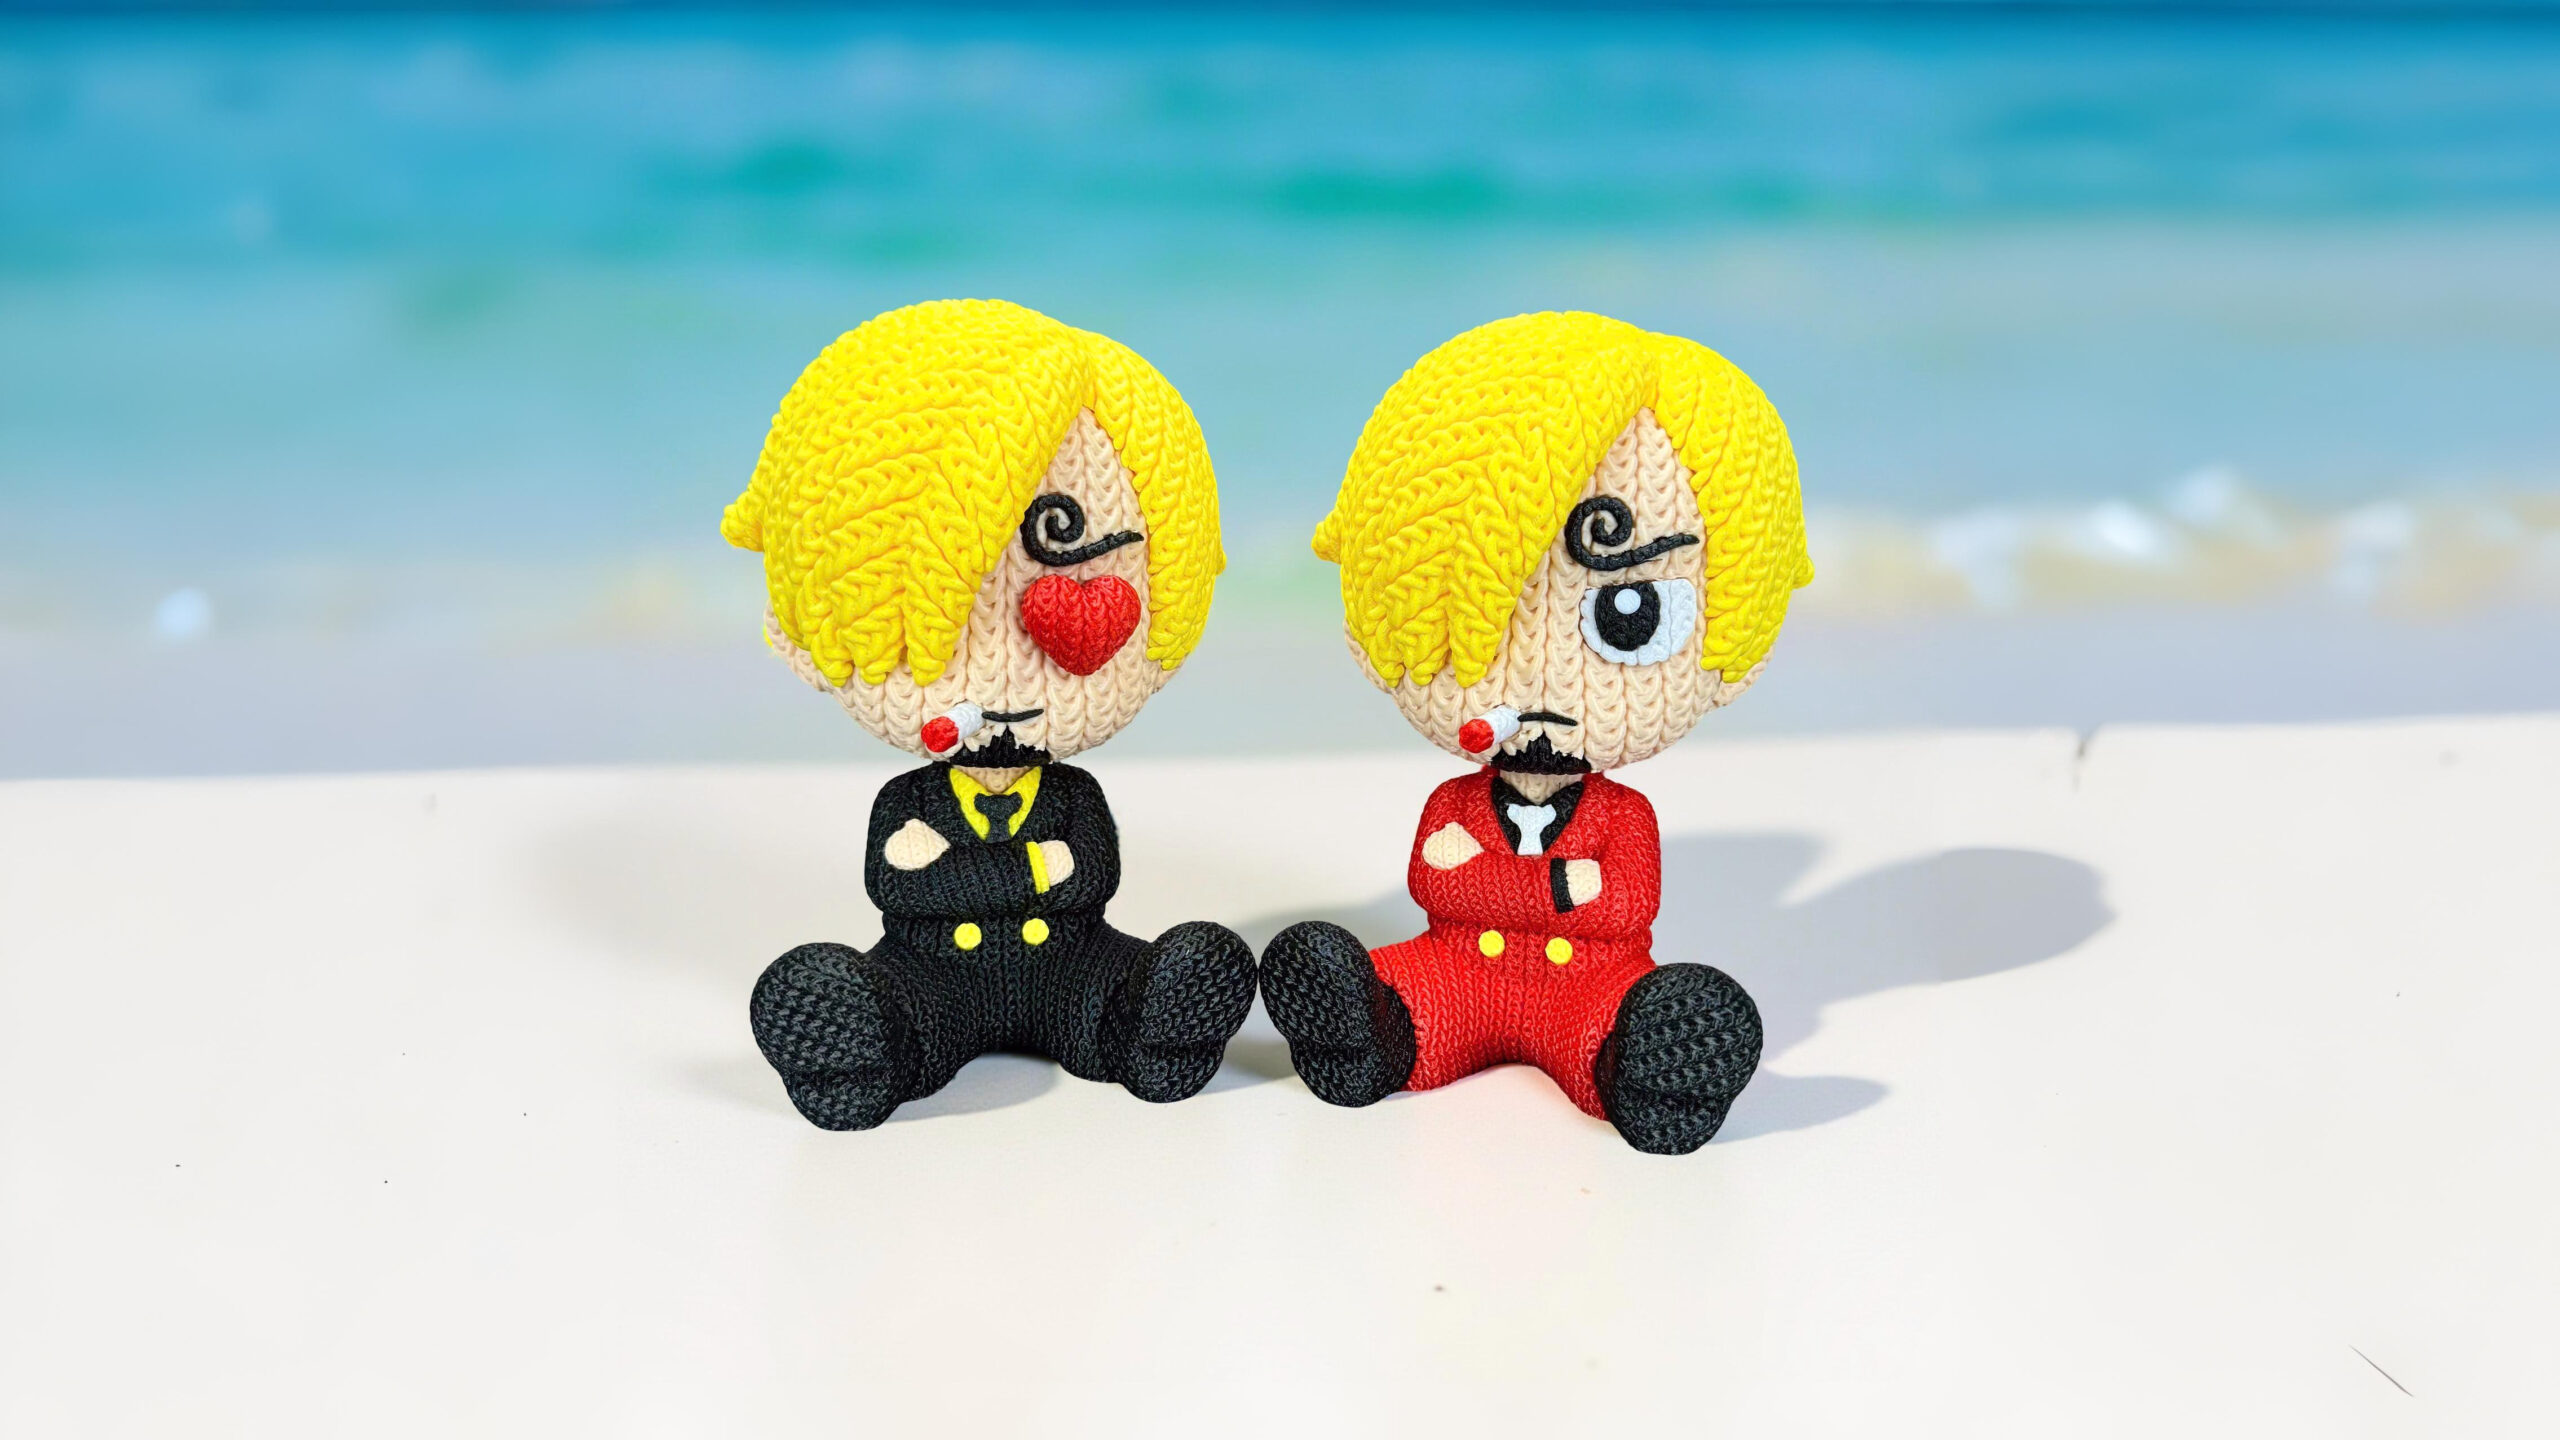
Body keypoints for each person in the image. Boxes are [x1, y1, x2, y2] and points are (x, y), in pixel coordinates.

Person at [1261, 311, 1813, 1153]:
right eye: (1494, 625)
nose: (1543, 683)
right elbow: (1437, 886)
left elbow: (1621, 905)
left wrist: (1499, 882)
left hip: (1586, 986)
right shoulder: (1457, 801)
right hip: (1454, 970)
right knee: (1399, 987)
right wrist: (1562, 887)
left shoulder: (1621, 817)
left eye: (1630, 614)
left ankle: (1645, 1069)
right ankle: (1364, 1035)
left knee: (1615, 1020)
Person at [725, 298, 1253, 1130]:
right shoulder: (911, 801)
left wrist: (978, 871)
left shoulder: (1068, 797)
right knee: (907, 1016)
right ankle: (867, 1049)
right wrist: (1034, 869)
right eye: (959, 615)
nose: (1011, 671)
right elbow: (900, 882)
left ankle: (1151, 1027)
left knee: (1124, 988)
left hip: (1074, 965)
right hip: (932, 974)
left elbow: (1089, 874)